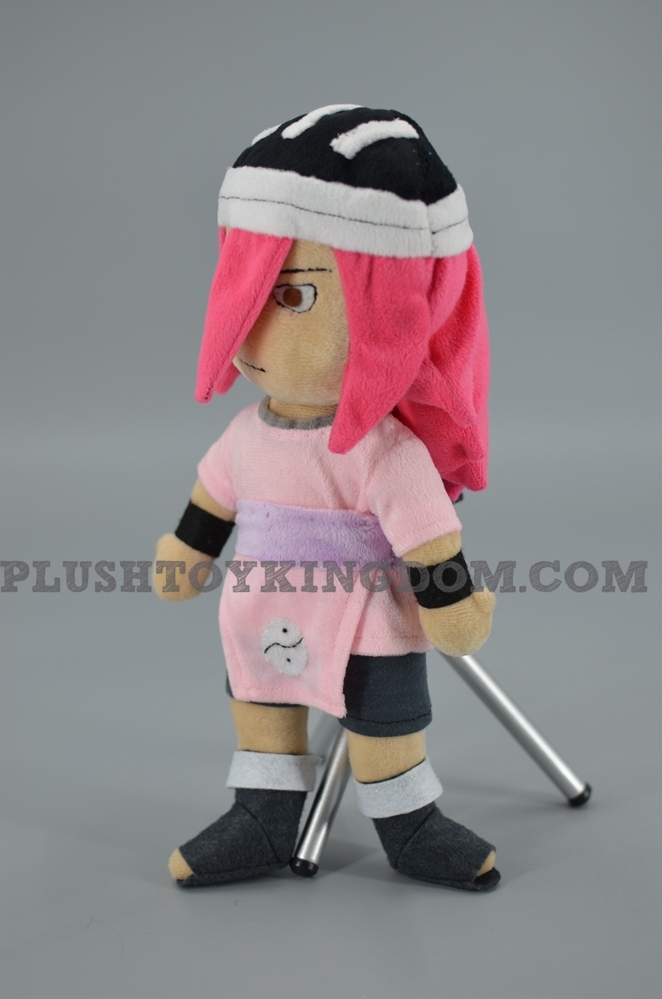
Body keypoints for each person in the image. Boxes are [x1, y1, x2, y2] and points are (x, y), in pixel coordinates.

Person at [155, 105, 499, 891]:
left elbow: (427, 533)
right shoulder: (247, 434)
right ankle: (263, 815)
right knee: (260, 706)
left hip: (367, 617)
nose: (254, 332)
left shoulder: (383, 449)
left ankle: (409, 824)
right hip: (265, 610)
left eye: (295, 297)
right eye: (248, 293)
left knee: (383, 722)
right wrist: (188, 551)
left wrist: (449, 602)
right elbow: (213, 497)